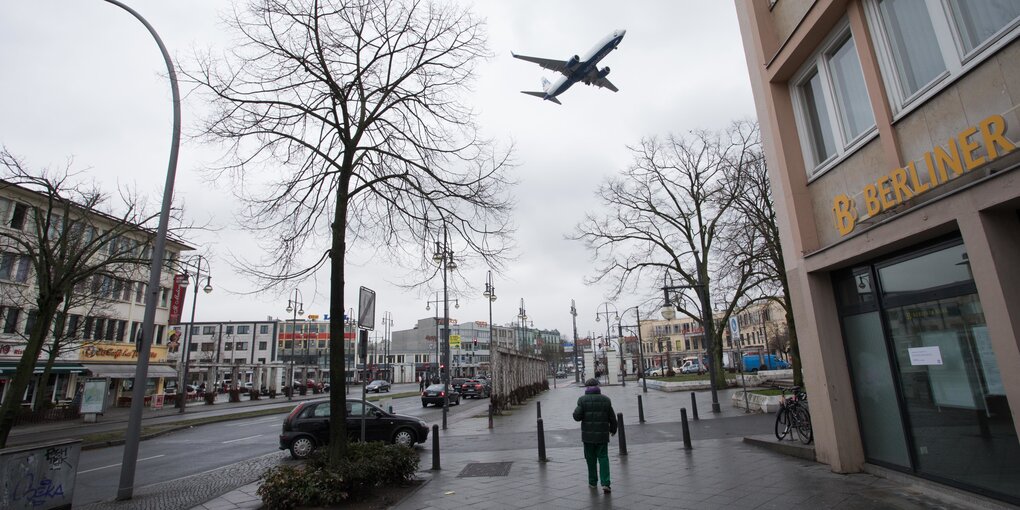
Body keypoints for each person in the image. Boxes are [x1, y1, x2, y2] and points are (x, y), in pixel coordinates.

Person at [572, 378, 617, 494]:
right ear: (598, 387)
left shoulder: (582, 400)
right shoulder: (606, 400)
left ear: (586, 388)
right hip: (602, 435)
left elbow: (577, 417)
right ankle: (606, 483)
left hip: (588, 437)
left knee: (590, 459)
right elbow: (612, 417)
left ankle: (592, 482)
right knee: (603, 458)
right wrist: (613, 429)